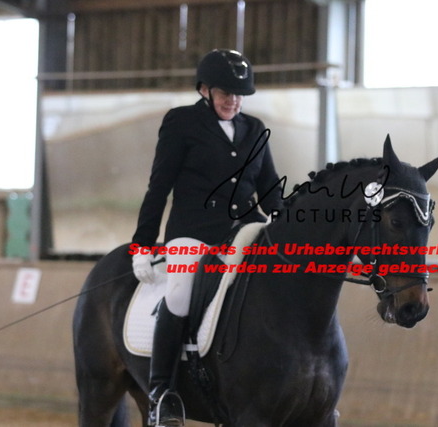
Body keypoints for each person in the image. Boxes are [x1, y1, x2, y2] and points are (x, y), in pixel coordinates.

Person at [131, 48, 283, 427]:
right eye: (225, 93)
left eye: (239, 95)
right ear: (205, 90)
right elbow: (159, 187)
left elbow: (269, 190)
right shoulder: (181, 122)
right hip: (193, 231)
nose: (233, 101)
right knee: (180, 294)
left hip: (245, 230)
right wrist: (142, 246)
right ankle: (161, 393)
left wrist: (286, 223)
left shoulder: (255, 129)